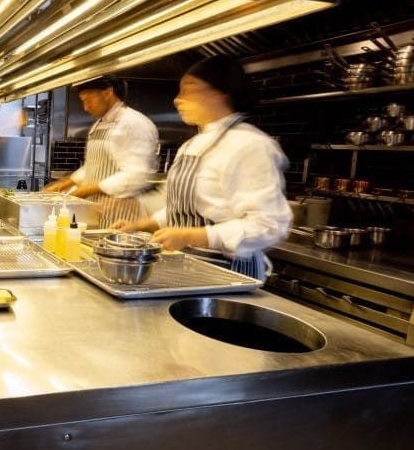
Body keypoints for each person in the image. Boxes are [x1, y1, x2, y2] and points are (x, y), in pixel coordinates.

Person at [111, 56, 292, 281]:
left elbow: (269, 225)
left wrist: (192, 236)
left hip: (228, 276)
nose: (178, 100)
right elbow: (184, 210)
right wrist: (140, 226)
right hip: (186, 270)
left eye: (189, 90)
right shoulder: (192, 144)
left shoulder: (250, 145)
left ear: (219, 94)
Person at [42, 75, 159, 227]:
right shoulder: (98, 124)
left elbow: (136, 175)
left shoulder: (134, 123)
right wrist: (65, 183)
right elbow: (93, 165)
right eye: (83, 101)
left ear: (107, 93)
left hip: (120, 216)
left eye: (89, 100)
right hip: (95, 212)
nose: (86, 107)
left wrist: (84, 191)